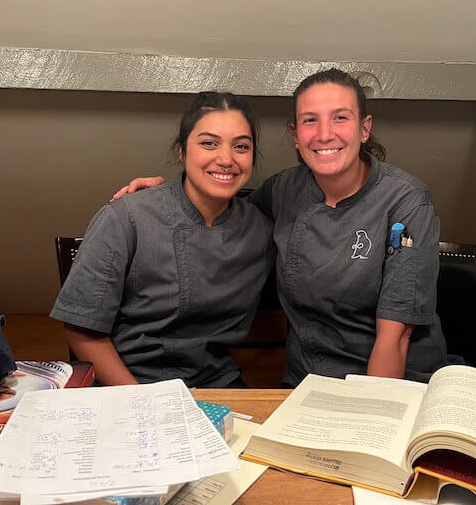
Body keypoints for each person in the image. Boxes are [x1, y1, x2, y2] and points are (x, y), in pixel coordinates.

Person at [116, 69, 450, 386]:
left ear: (364, 128)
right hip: (306, 386)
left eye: (340, 117)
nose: (324, 134)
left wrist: (371, 423)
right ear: (295, 134)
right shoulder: (284, 190)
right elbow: (224, 203)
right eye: (310, 121)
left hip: (394, 384)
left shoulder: (406, 199)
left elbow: (397, 336)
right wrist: (165, 195)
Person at [51, 92, 274, 387]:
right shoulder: (127, 216)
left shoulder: (260, 227)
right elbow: (81, 328)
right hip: (129, 386)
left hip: (217, 384)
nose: (226, 159)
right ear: (182, 150)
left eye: (241, 147)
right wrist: (146, 402)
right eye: (209, 143)